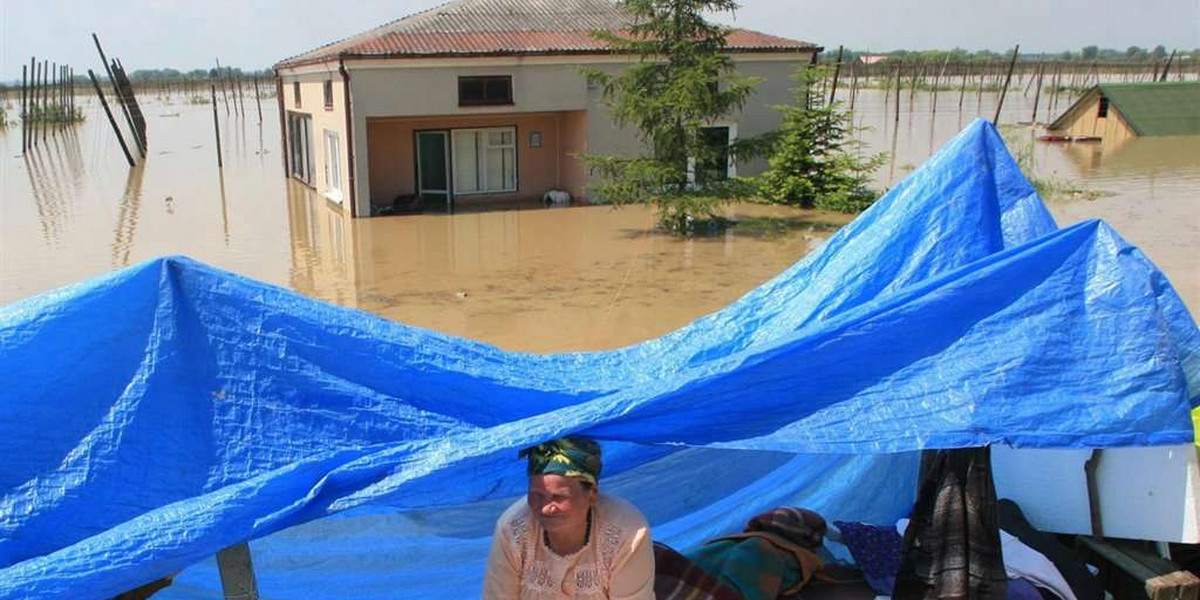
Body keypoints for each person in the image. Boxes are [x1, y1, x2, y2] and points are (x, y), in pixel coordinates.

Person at [482, 436, 655, 600]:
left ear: (592, 494)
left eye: (559, 497)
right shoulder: (512, 530)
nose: (546, 508)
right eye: (536, 495)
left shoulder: (627, 532)